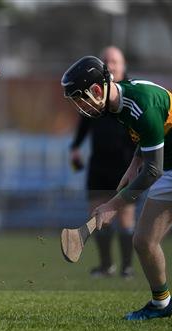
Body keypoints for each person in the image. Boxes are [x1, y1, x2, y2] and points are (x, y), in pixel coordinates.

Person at [61, 56, 172, 320]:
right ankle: (161, 304)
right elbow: (146, 138)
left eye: (79, 98)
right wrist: (135, 162)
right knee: (144, 241)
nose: (79, 107)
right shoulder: (114, 105)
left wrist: (113, 205)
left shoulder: (139, 103)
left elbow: (153, 171)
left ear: (96, 91)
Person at [69, 46, 136, 279]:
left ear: (123, 65)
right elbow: (84, 123)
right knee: (97, 215)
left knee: (125, 214)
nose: (111, 65)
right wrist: (75, 147)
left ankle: (127, 266)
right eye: (106, 61)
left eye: (115, 61)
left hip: (126, 164)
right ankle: (106, 265)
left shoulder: (130, 92)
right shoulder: (93, 93)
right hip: (98, 164)